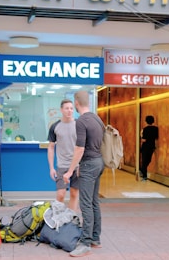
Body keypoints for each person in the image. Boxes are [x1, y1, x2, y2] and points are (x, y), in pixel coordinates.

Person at [63, 91, 105, 257]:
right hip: (99, 162)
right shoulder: (96, 118)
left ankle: (85, 243)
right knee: (94, 201)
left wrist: (70, 170)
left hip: (88, 164)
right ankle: (95, 238)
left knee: (85, 203)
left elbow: (80, 148)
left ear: (76, 103)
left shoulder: (81, 121)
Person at [47, 99, 79, 211]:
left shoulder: (79, 125)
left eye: (71, 108)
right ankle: (57, 220)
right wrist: (51, 168)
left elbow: (84, 147)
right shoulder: (55, 126)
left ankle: (71, 220)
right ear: (61, 110)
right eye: (67, 108)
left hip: (77, 166)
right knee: (60, 195)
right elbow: (51, 147)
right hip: (62, 166)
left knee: (74, 194)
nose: (69, 111)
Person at [140, 115, 159, 181]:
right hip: (152, 146)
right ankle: (142, 170)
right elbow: (156, 137)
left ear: (146, 121)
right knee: (148, 160)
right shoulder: (156, 129)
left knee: (144, 161)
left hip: (145, 147)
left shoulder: (144, 129)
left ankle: (143, 174)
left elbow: (143, 139)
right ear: (153, 121)